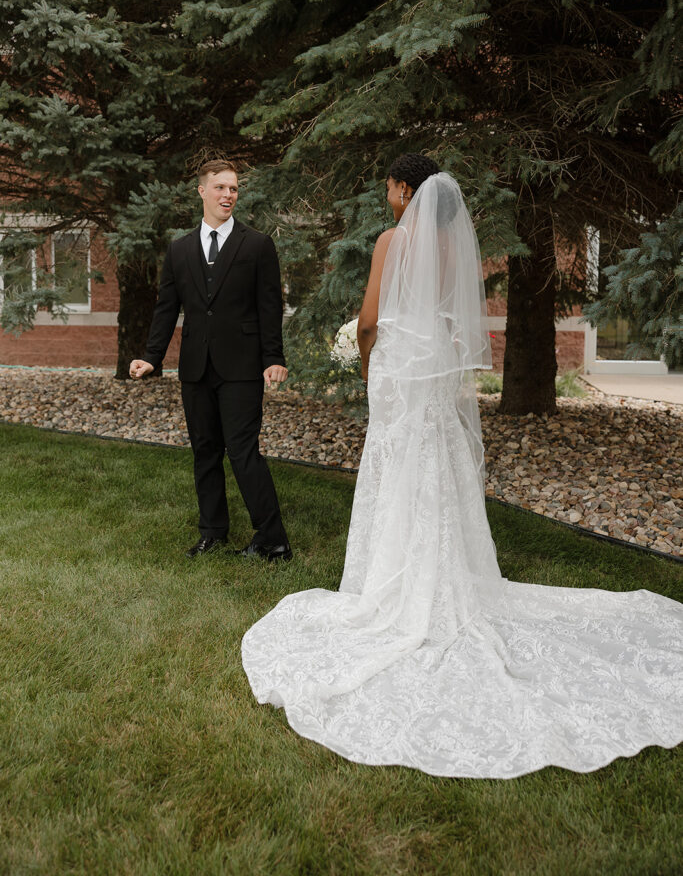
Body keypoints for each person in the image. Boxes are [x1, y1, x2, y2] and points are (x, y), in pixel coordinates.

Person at [240, 153, 683, 778]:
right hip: (437, 372)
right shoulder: (452, 247)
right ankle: (446, 575)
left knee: (398, 467)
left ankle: (393, 586)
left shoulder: (393, 240)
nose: (389, 197)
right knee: (438, 471)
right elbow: (452, 321)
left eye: (391, 187)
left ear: (402, 190)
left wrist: (364, 355)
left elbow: (370, 318)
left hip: (399, 369)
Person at [130, 158, 292, 562]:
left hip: (241, 367)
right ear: (202, 191)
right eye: (220, 187)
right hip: (195, 367)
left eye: (234, 188)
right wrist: (153, 357)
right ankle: (213, 532)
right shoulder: (180, 248)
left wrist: (273, 357)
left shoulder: (256, 245)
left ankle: (273, 540)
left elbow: (270, 306)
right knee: (204, 450)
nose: (228, 195)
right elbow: (167, 307)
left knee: (242, 451)